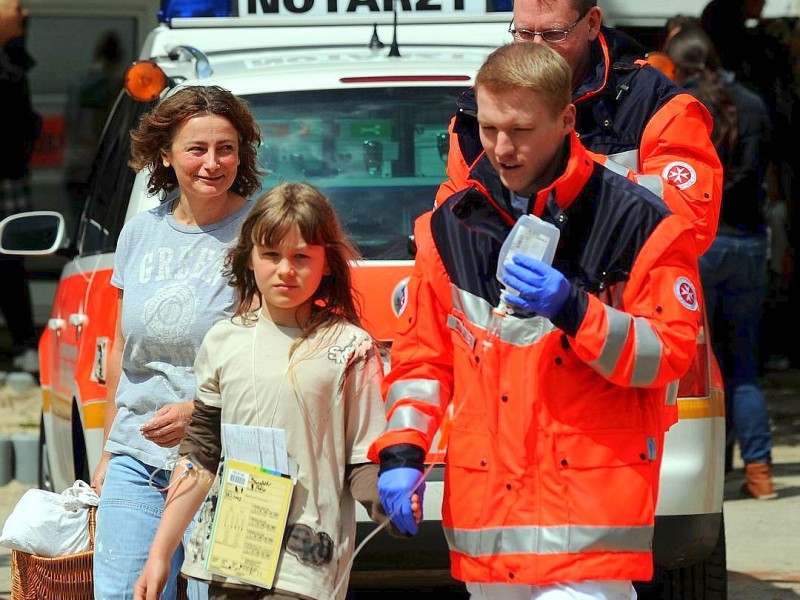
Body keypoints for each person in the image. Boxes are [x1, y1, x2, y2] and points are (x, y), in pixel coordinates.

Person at [369, 41, 702, 599]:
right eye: (490, 127)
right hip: (489, 532)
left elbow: (666, 355)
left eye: (520, 130)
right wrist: (402, 452)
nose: (502, 147)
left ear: (567, 118)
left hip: (588, 532)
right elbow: (422, 363)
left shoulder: (640, 220)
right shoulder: (449, 226)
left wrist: (575, 309)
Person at [133, 182, 394, 600]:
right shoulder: (222, 340)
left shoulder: (350, 348)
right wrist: (160, 553)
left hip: (306, 563)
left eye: (301, 256)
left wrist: (390, 502)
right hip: (227, 555)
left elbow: (363, 459)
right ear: (250, 259)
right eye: (271, 255)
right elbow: (200, 456)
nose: (285, 269)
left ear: (327, 263)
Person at [90, 85, 263, 600]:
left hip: (230, 461)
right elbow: (123, 348)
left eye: (226, 148)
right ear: (165, 154)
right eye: (197, 149)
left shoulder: (260, 235)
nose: (213, 162)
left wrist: (198, 410)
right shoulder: (140, 234)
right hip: (136, 459)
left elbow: (269, 352)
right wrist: (108, 452)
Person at [435, 0, 723, 258]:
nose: (535, 48)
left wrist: (574, 167)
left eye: (553, 34)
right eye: (523, 33)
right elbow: (451, 230)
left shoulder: (657, 105)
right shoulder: (478, 112)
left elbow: (693, 223)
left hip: (616, 299)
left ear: (592, 24)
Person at [664, 24, 777, 499]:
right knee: (744, 366)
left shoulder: (678, 109)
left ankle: (711, 472)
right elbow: (760, 174)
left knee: (697, 371)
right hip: (749, 245)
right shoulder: (752, 104)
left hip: (700, 248)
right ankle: (760, 473)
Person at [0, 0, 41, 375]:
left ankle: (24, 345)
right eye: (17, 5)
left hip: (9, 177)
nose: (24, 13)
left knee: (11, 262)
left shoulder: (12, 58)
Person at [63, 31, 124, 232]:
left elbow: (70, 123)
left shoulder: (78, 82)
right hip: (98, 166)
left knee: (77, 227)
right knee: (98, 229)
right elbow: (102, 128)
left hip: (74, 163)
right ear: (117, 57)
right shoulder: (111, 85)